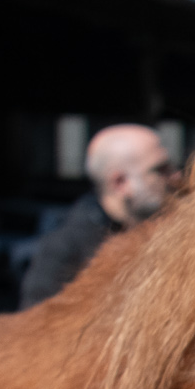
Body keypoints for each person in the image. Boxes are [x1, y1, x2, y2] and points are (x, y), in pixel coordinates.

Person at [21, 123, 175, 307]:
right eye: (160, 170)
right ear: (120, 183)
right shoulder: (66, 253)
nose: (175, 177)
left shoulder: (163, 232)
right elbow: (38, 327)